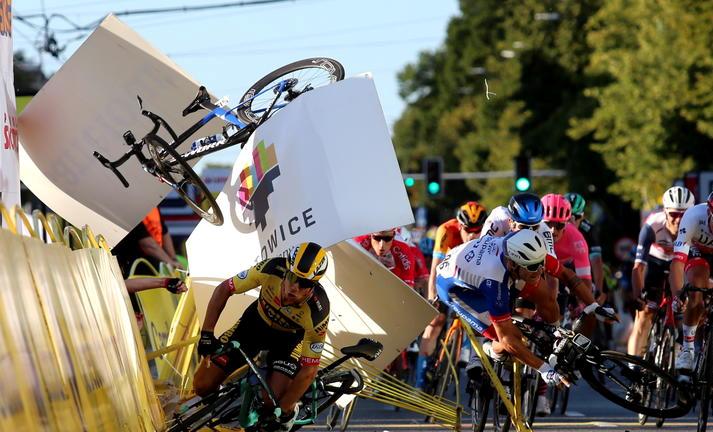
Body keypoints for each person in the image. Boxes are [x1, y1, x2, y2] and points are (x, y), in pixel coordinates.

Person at [193, 242, 330, 432]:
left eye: (304, 283)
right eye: (292, 277)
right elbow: (225, 288)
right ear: (286, 271)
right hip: (254, 325)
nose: (294, 288)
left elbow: (309, 370)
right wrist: (207, 333)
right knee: (202, 385)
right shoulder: (270, 268)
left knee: (271, 402)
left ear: (312, 287)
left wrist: (284, 409)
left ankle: (291, 409)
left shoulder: (317, 311)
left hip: (288, 341)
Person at [435, 230, 569, 388]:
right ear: (513, 264)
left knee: (543, 295)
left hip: (476, 264)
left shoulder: (518, 248)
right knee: (510, 341)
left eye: (542, 263)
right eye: (533, 266)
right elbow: (508, 339)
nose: (540, 270)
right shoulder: (494, 281)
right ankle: (490, 349)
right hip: (454, 288)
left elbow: (560, 282)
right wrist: (544, 369)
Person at [415, 201, 488, 389]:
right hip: (446, 275)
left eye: (477, 230)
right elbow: (434, 270)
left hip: (470, 278)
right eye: (467, 229)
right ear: (459, 224)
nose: (472, 234)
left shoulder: (488, 235)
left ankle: (464, 356)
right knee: (436, 322)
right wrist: (432, 298)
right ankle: (420, 378)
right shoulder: (446, 230)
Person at [627, 186, 694, 358]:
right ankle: (633, 364)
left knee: (690, 305)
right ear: (664, 212)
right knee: (643, 316)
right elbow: (638, 267)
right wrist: (637, 295)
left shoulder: (695, 227)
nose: (679, 220)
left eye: (684, 215)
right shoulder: (652, 225)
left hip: (679, 263)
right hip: (655, 262)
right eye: (673, 214)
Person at [670, 191, 713, 373]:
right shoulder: (694, 216)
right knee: (696, 288)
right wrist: (678, 295)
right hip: (698, 253)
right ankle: (687, 350)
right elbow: (678, 262)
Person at [565, 192, 605, 297]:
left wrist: (598, 291)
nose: (571, 221)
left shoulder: (588, 229)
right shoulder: (554, 225)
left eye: (576, 217)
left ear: (582, 216)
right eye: (567, 217)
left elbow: (596, 261)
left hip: (581, 267)